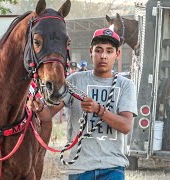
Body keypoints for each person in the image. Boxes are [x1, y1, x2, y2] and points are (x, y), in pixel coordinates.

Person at [27, 28, 137, 180]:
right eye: (98, 50)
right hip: (80, 168)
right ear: (91, 51)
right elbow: (47, 115)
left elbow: (126, 126)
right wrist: (39, 108)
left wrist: (98, 109)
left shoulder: (126, 85)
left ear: (117, 54)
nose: (103, 56)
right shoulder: (75, 81)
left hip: (112, 167)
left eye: (109, 51)